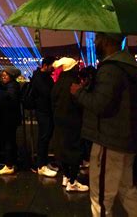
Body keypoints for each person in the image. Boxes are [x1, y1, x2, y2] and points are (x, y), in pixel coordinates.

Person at [71, 33, 137, 217]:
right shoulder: (131, 68)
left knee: (101, 198)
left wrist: (78, 92)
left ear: (105, 41)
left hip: (109, 140)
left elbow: (100, 105)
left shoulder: (110, 69)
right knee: (127, 190)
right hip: (126, 139)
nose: (95, 43)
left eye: (96, 39)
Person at [51, 58, 89, 192]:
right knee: (74, 151)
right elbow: (79, 102)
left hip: (59, 121)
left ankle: (66, 177)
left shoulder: (58, 83)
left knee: (63, 150)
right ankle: (73, 182)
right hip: (73, 121)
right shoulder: (73, 83)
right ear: (73, 68)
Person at [31, 56, 57, 177]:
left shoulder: (44, 76)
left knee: (46, 137)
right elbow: (47, 93)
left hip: (46, 111)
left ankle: (44, 163)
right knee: (44, 137)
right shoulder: (39, 78)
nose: (53, 69)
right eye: (52, 66)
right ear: (45, 66)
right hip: (43, 111)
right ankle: (41, 165)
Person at [0, 66, 22, 175]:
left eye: (5, 75)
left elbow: (9, 101)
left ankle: (9, 165)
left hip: (9, 119)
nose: (3, 76)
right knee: (10, 141)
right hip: (11, 119)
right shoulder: (11, 86)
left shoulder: (12, 87)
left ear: (11, 76)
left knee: (8, 141)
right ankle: (12, 162)